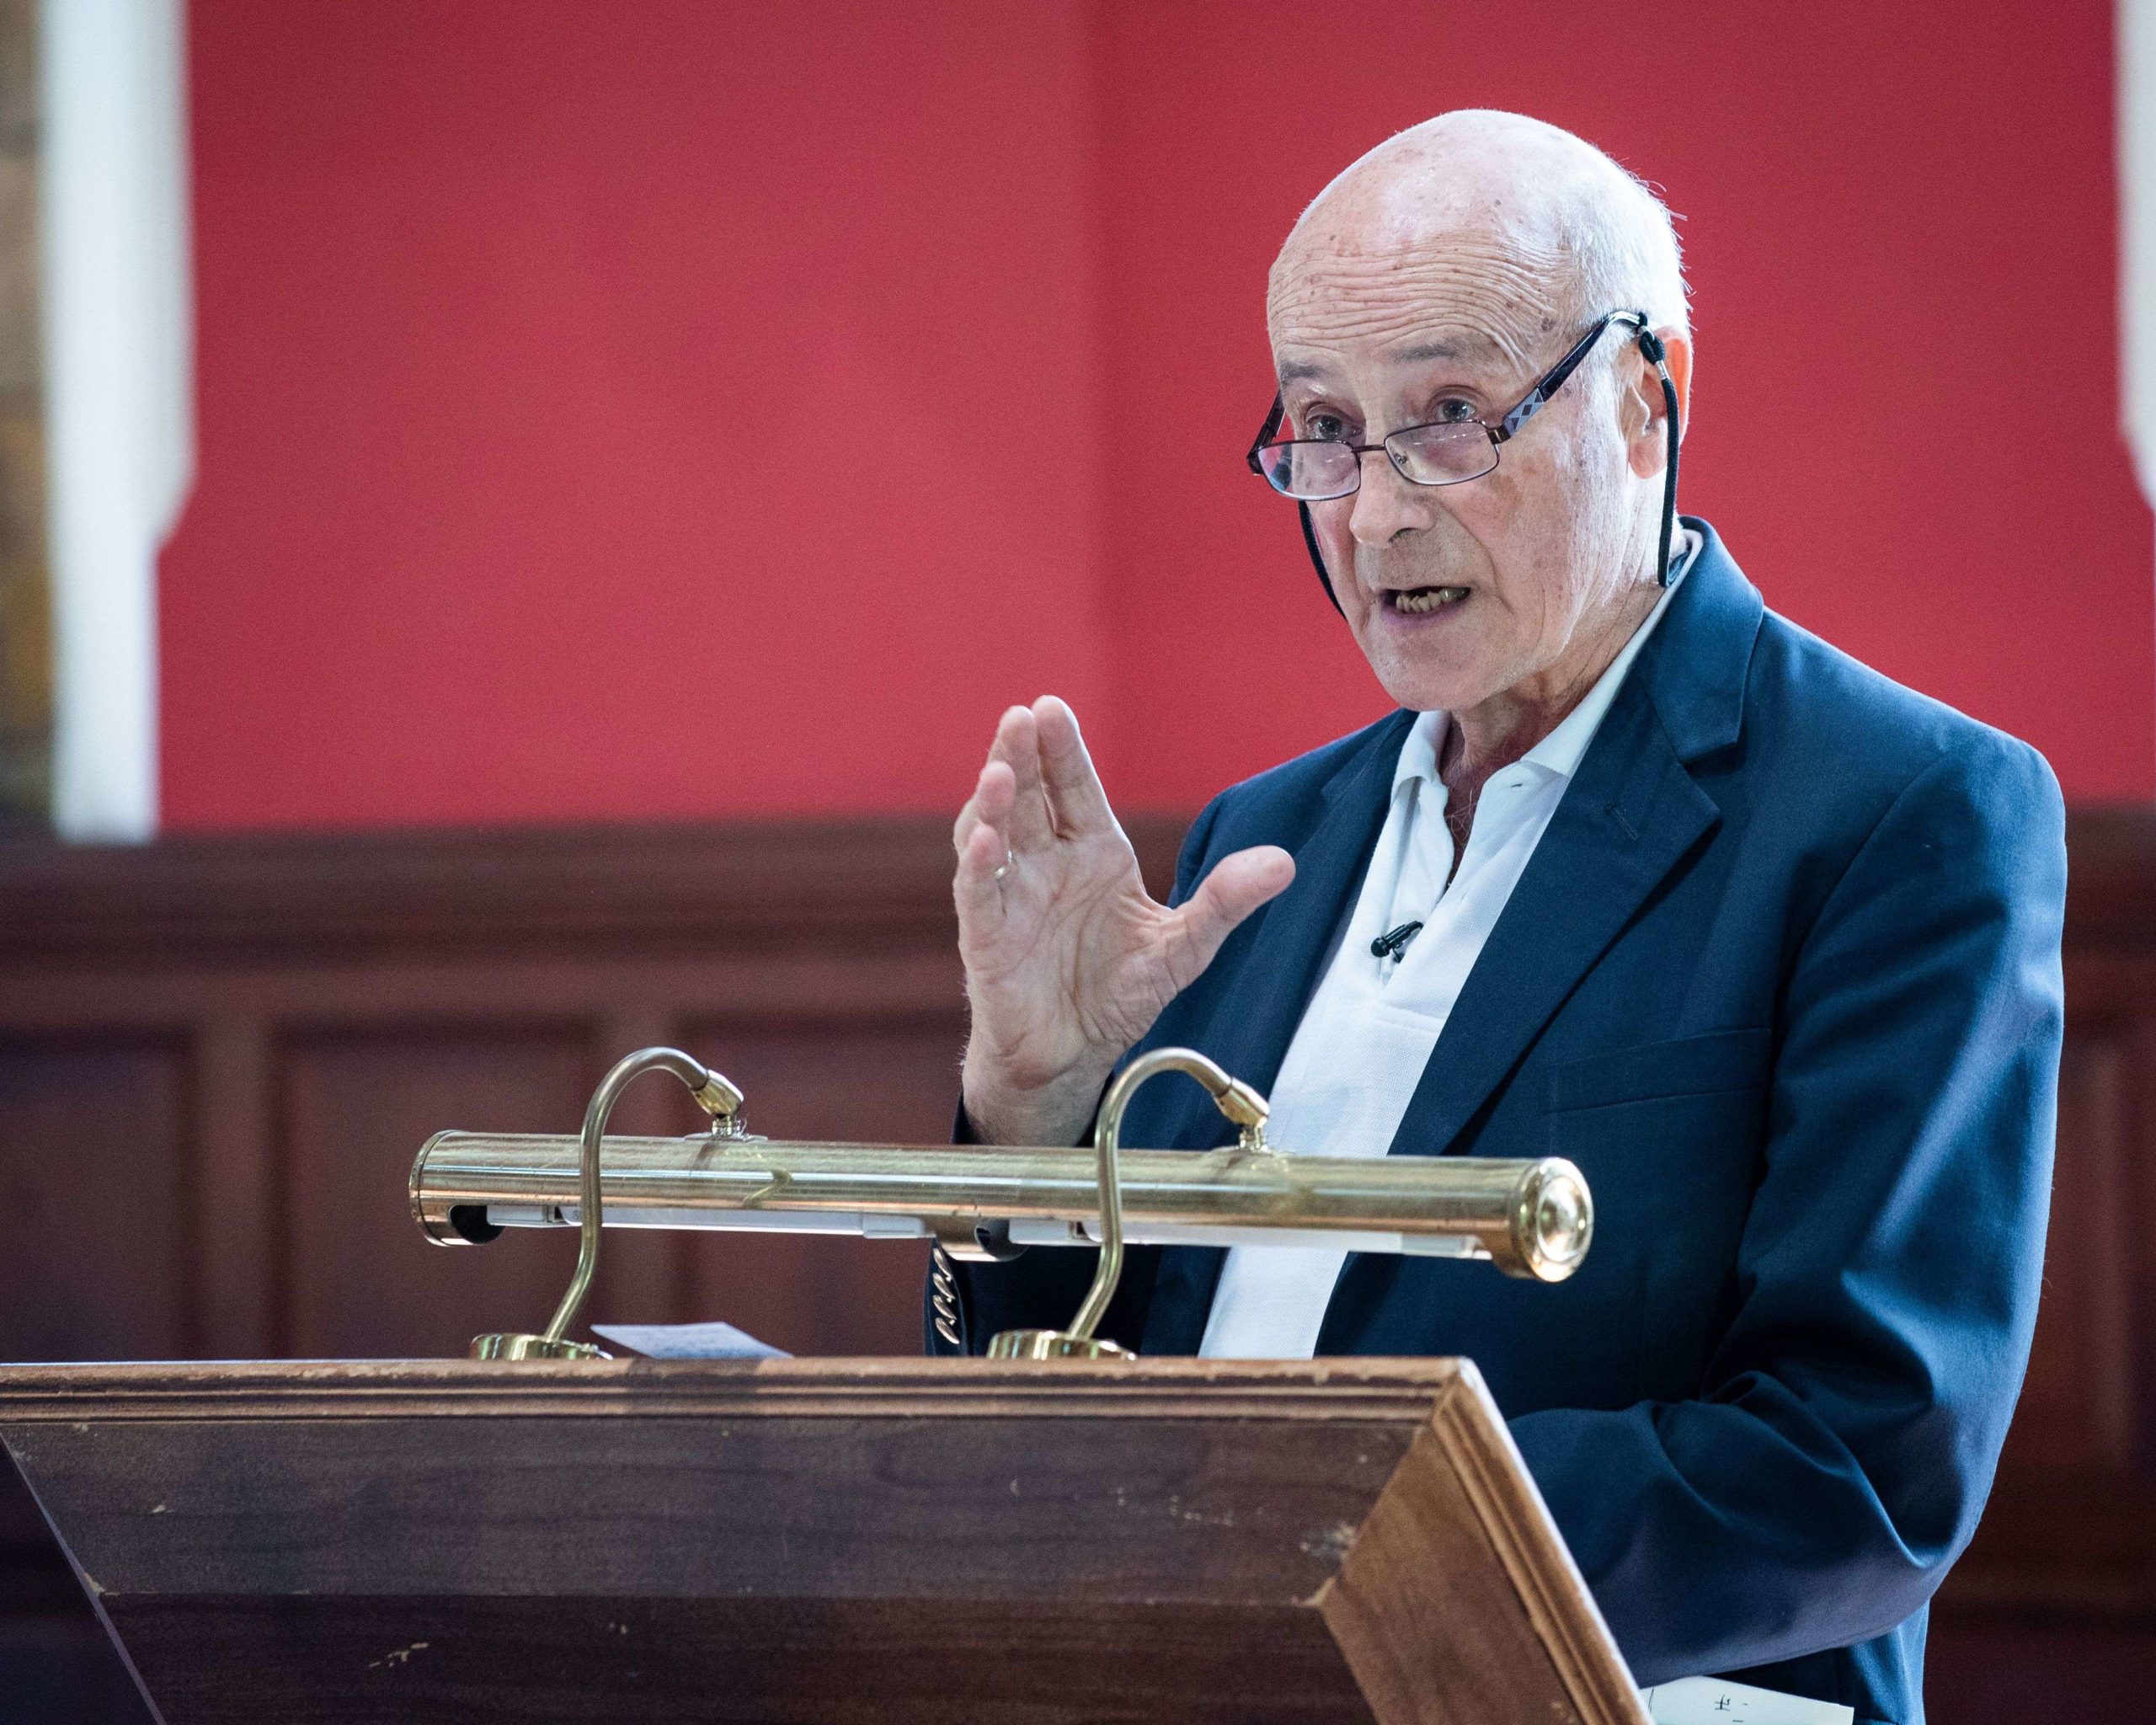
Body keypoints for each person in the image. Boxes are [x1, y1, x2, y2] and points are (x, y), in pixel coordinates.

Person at [928, 110, 2063, 1725]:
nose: (1373, 513)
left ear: (1645, 400)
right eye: (1323, 427)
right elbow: (1052, 1423)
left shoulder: (1900, 813)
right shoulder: (1267, 841)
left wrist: (1303, 1558)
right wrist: (1031, 1118)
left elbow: (1857, 1463)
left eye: (1450, 417)